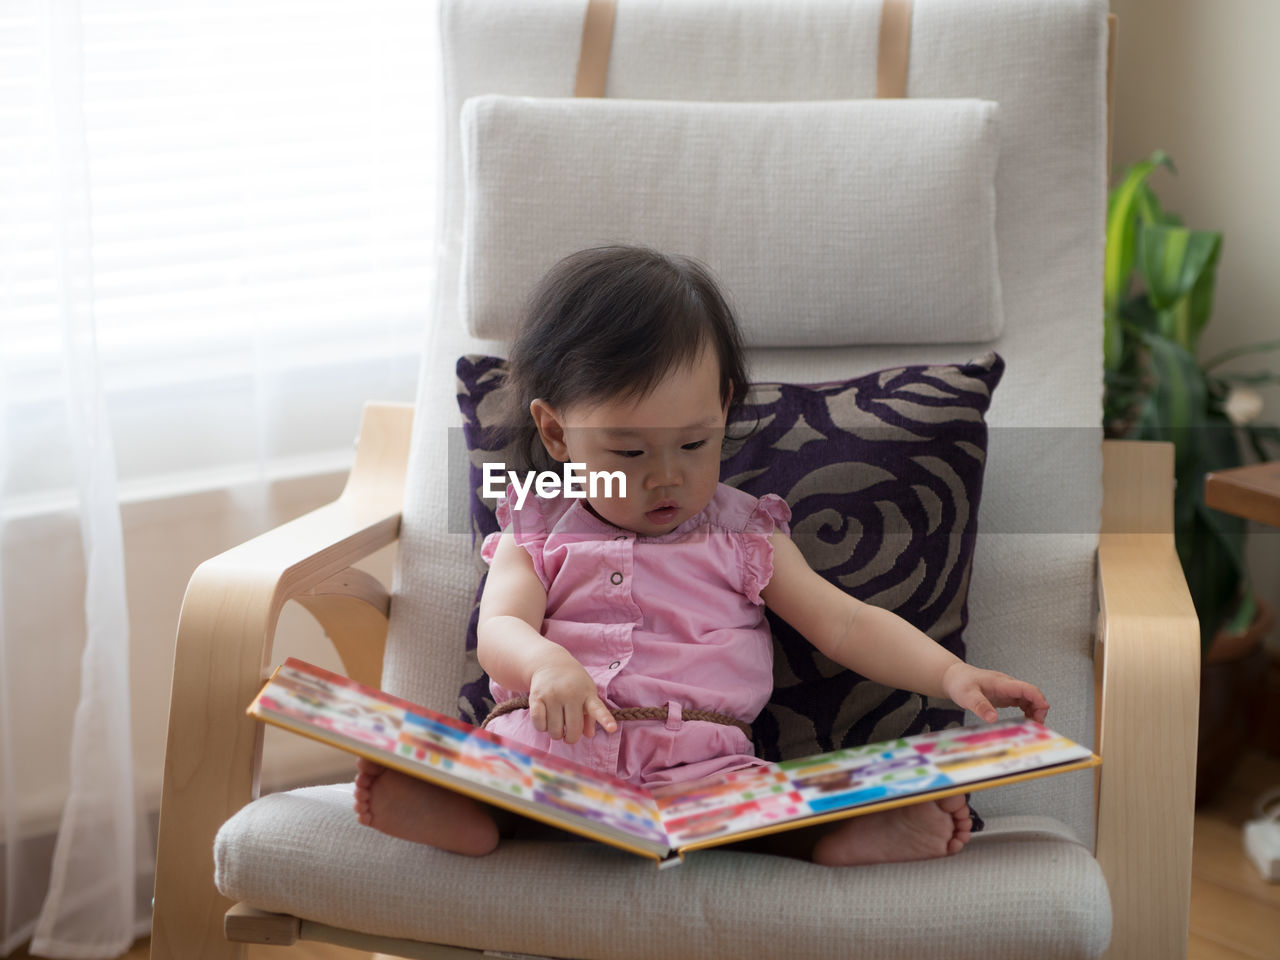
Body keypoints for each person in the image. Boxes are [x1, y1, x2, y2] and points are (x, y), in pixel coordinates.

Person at [354, 245, 1049, 865]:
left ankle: (843, 837)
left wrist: (952, 674)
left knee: (771, 805)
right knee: (495, 769)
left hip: (701, 765)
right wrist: (545, 665)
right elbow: (499, 626)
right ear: (557, 434)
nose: (667, 475)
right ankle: (462, 812)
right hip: (551, 749)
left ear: (723, 408)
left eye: (694, 444)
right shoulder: (540, 521)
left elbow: (845, 624)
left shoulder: (746, 533)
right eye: (629, 452)